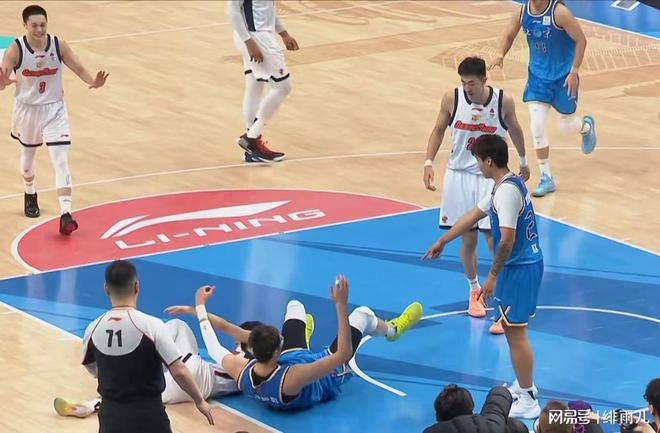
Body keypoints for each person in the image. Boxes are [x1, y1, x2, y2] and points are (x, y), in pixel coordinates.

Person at [423, 134, 544, 418]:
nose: (477, 165)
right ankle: (523, 384)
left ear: (489, 161)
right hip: (520, 267)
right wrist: (443, 241)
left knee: (516, 333)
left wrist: (491, 276)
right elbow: (472, 215)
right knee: (513, 330)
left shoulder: (506, 193)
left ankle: (529, 399)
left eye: (478, 160)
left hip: (520, 268)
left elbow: (507, 241)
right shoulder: (503, 185)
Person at [192, 277, 422, 410]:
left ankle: (303, 342)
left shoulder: (242, 372)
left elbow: (214, 345)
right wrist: (341, 305)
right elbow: (342, 354)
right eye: (280, 339)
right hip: (328, 376)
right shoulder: (294, 377)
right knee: (362, 315)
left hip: (290, 360)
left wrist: (200, 307)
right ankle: (393, 330)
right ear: (276, 351)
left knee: (295, 306)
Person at [423, 56, 529, 334]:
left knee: (494, 239)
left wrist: (524, 160)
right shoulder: (452, 99)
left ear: (484, 80)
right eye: (463, 83)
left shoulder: (503, 102)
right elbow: (437, 130)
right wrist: (428, 162)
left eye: (471, 83)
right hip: (457, 174)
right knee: (467, 238)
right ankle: (474, 290)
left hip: (487, 176)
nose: (467, 88)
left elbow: (516, 129)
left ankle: (503, 299)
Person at [0, 5, 109, 234]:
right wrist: (3, 83)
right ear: (25, 26)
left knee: (60, 159)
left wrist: (92, 81)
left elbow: (78, 67)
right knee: (28, 159)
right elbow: (2, 80)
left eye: (43, 25)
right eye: (34, 25)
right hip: (27, 110)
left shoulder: (58, 45)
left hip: (55, 109)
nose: (40, 29)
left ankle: (66, 214)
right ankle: (30, 192)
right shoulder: (15, 50)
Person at [81, 260, 214, 432]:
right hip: (149, 418)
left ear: (106, 289)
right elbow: (179, 371)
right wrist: (199, 400)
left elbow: (90, 365)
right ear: (137, 287)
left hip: (110, 420)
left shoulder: (93, 328)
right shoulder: (151, 325)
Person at [489, 0, 597, 197]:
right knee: (536, 126)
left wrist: (574, 71)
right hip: (538, 79)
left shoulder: (560, 13)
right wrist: (499, 54)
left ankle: (586, 127)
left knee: (566, 126)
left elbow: (581, 40)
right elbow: (508, 35)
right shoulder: (523, 12)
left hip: (564, 78)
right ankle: (546, 177)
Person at [227, 0, 298, 163]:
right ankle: (251, 138)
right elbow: (233, 10)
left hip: (257, 36)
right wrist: (249, 42)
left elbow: (267, 9)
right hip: (255, 38)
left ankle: (253, 147)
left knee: (254, 85)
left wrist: (284, 33)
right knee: (283, 87)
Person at [423, 384, 527, 433]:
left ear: (438, 417)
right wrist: (502, 389)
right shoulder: (489, 426)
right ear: (471, 410)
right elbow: (496, 404)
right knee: (514, 426)